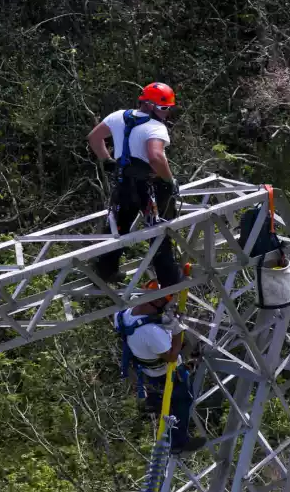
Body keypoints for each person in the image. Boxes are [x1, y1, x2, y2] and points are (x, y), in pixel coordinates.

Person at [87, 82, 181, 287]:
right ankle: (169, 279)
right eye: (164, 108)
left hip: (123, 183)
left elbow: (94, 138)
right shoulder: (156, 128)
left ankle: (105, 271)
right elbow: (156, 157)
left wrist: (108, 161)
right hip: (149, 188)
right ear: (148, 105)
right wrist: (169, 180)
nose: (167, 113)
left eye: (168, 109)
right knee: (159, 230)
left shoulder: (118, 116)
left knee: (118, 228)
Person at [115, 291, 207, 454]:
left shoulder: (124, 314)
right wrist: (177, 331)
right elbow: (171, 357)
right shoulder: (150, 332)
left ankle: (155, 399)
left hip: (145, 365)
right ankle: (179, 442)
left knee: (163, 388)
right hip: (163, 372)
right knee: (183, 400)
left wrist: (163, 320)